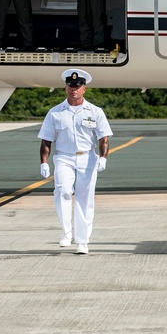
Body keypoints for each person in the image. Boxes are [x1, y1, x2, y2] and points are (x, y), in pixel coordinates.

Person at [38, 68, 113, 254]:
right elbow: (46, 140)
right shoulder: (55, 113)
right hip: (64, 157)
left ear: (84, 89)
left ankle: (82, 241)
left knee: (84, 199)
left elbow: (103, 138)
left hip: (87, 158)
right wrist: (44, 162)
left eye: (78, 86)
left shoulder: (95, 111)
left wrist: (103, 159)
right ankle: (66, 232)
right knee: (62, 191)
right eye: (71, 86)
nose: (74, 89)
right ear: (65, 87)